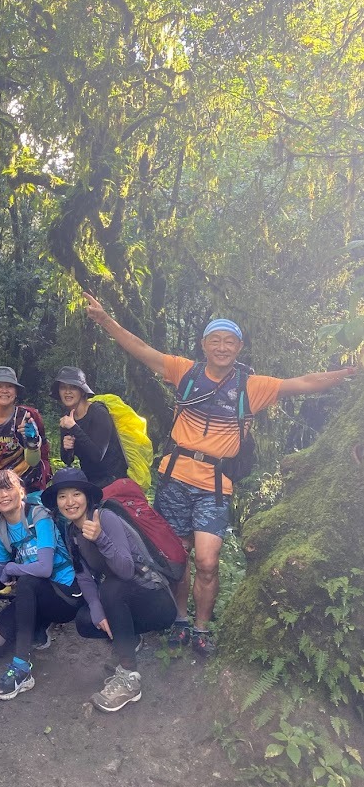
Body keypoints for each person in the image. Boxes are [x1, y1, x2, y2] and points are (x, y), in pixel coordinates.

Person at [84, 294, 358, 656]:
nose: (222, 347)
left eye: (230, 342)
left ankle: (202, 626)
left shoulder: (251, 386)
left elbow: (305, 382)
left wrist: (349, 373)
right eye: (216, 340)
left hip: (214, 486)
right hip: (174, 479)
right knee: (175, 555)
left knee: (208, 561)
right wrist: (105, 320)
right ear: (204, 346)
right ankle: (180, 619)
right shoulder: (186, 372)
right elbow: (142, 350)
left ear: (239, 347)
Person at [43, 468, 176, 712]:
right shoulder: (71, 531)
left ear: (87, 497)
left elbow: (125, 570)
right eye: (62, 496)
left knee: (112, 588)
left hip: (157, 600)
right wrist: (95, 609)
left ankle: (129, 677)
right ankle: (130, 639)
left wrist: (101, 538)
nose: (70, 502)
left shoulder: (106, 518)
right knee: (85, 621)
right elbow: (82, 574)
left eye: (76, 494)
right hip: (129, 600)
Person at [0, 469, 82, 700]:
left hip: (66, 597)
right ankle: (36, 627)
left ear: (22, 492)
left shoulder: (39, 517)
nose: (3, 495)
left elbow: (44, 568)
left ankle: (21, 668)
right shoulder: (2, 532)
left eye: (8, 488)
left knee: (26, 581)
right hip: (37, 596)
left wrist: (12, 569)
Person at [0, 366, 50, 492]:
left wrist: (32, 441)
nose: (4, 391)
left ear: (16, 392)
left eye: (9, 386)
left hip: (26, 484)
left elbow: (33, 461)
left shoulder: (25, 418)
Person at [52, 366, 128, 488]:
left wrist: (74, 428)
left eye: (73, 387)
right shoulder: (67, 419)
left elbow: (97, 456)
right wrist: (67, 448)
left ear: (82, 391)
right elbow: (67, 460)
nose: (67, 392)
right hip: (90, 481)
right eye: (63, 388)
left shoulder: (98, 413)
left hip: (114, 481)